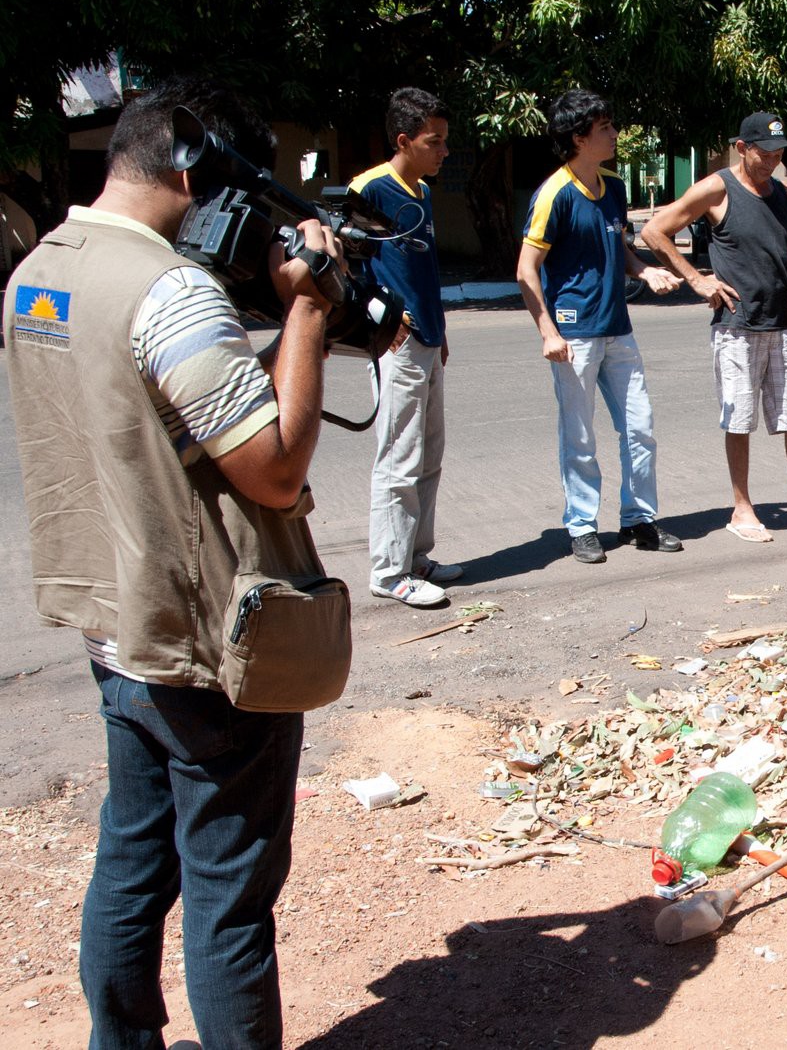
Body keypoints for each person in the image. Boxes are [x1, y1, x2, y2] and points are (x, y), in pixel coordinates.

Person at [3, 78, 341, 1047]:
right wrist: (307, 312)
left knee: (133, 861)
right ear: (196, 171)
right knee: (229, 896)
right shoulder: (171, 291)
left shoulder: (38, 272)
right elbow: (272, 471)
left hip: (114, 627)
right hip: (203, 637)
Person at [641, 111, 787, 543]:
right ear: (742, 147)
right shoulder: (717, 189)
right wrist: (697, 279)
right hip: (737, 324)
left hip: (786, 322)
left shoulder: (786, 196)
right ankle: (742, 509)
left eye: (779, 152)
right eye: (765, 151)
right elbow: (654, 231)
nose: (773, 160)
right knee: (739, 418)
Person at [516, 88, 682, 564]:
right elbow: (527, 270)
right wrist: (548, 330)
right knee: (580, 435)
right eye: (605, 127)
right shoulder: (554, 194)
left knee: (640, 427)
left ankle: (639, 520)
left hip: (618, 327)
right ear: (578, 137)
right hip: (574, 333)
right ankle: (583, 525)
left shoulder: (613, 186)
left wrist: (644, 270)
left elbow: (618, 246)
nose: (614, 134)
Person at [351, 87, 462, 606]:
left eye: (444, 142)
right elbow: (348, 269)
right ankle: (389, 572)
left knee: (429, 453)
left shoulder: (422, 191)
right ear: (404, 140)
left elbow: (421, 271)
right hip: (395, 343)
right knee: (399, 455)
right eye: (433, 142)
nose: (443, 152)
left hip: (428, 341)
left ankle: (417, 557)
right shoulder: (369, 189)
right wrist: (381, 319)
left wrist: (437, 331)